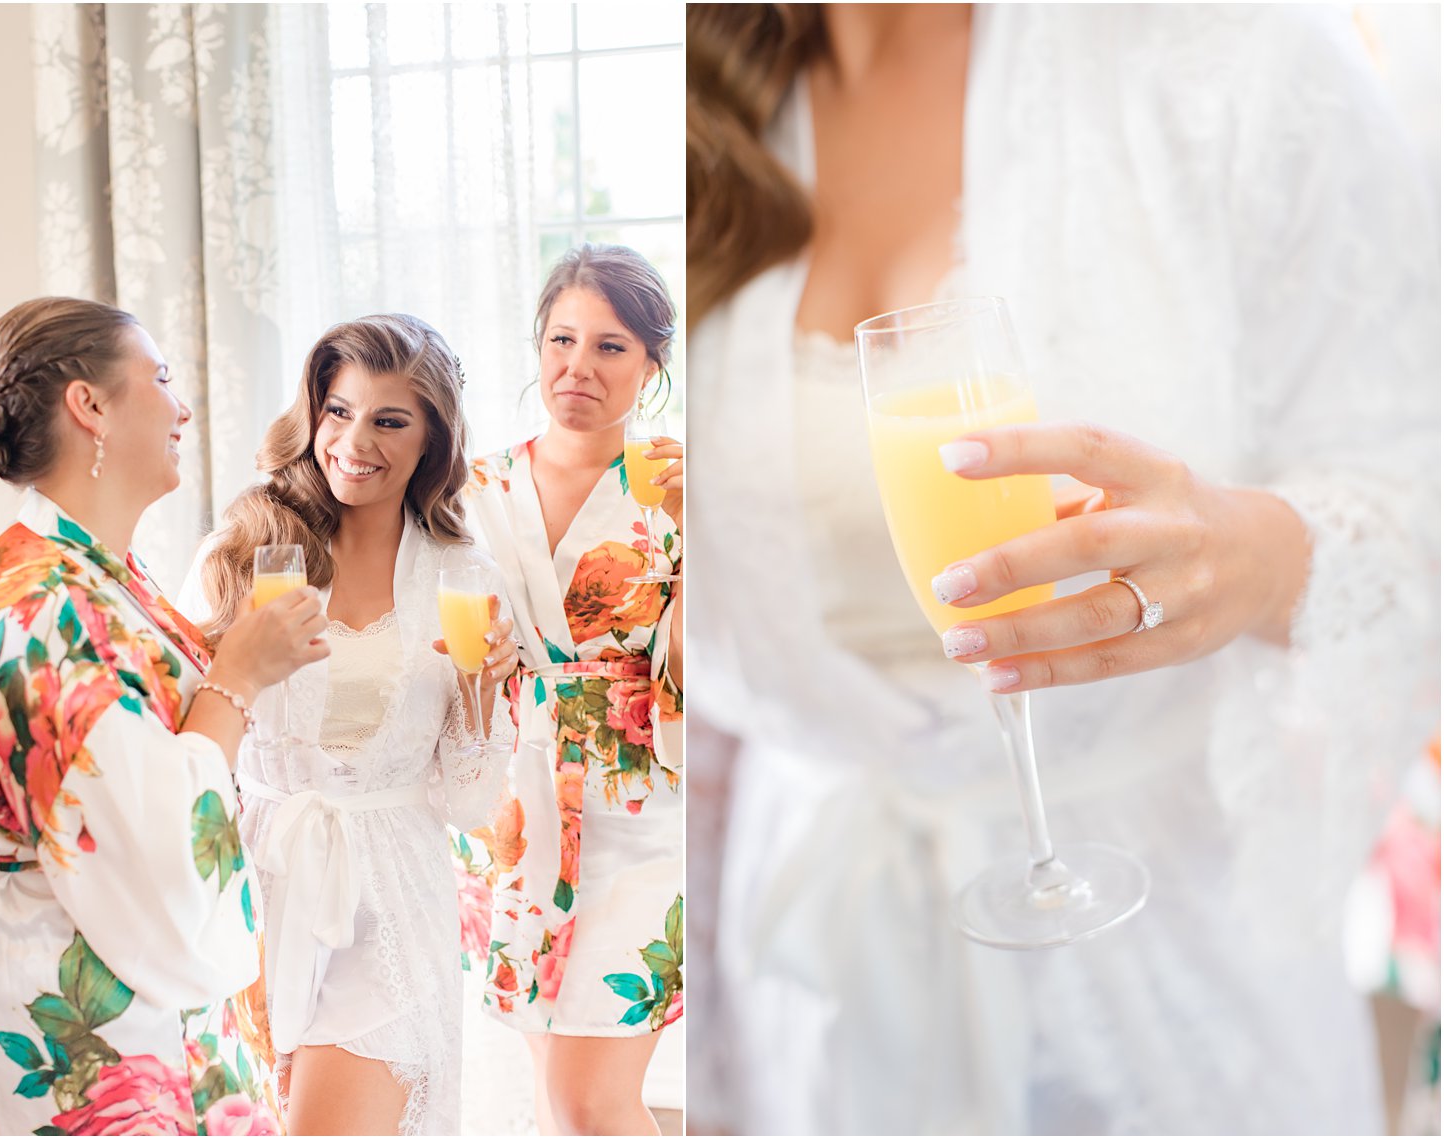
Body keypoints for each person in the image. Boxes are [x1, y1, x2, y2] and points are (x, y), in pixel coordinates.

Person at [686, 5, 1438, 1135]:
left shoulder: (1230, 57)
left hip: (1167, 997)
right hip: (803, 981)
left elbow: (1414, 480)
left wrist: (1261, 557)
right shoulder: (694, 93)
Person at [0, 297, 323, 1135]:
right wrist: (235, 681)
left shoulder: (98, 575)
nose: (181, 406)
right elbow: (156, 839)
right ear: (90, 405)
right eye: (160, 377)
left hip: (142, 998)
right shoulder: (43, 604)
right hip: (91, 1021)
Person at [185, 314, 519, 1136]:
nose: (354, 440)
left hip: (391, 900)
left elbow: (471, 802)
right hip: (255, 882)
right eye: (338, 411)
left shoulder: (463, 575)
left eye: (389, 419)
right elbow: (192, 739)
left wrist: (480, 690)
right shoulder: (239, 552)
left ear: (430, 440)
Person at [461, 244, 684, 1135]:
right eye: (562, 338)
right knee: (568, 1102)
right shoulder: (473, 489)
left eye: (610, 347)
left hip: (645, 809)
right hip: (512, 817)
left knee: (589, 1104)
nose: (577, 366)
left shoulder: (681, 485)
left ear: (651, 364)